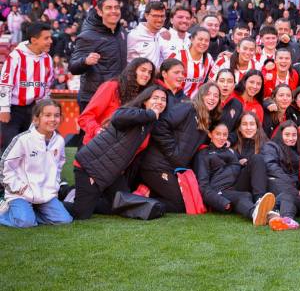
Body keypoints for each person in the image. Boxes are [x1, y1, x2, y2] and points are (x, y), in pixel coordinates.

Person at [73, 85, 168, 221]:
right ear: (145, 100)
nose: (160, 102)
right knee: (81, 215)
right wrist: (149, 114)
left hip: (114, 172)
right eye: (155, 98)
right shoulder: (135, 113)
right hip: (91, 168)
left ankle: (89, 200)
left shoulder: (151, 124)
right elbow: (118, 116)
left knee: (121, 207)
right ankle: (66, 193)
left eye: (164, 100)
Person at [139, 82, 222, 214]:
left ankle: (147, 192)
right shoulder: (188, 108)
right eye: (208, 94)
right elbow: (160, 124)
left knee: (188, 201)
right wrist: (173, 152)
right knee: (181, 204)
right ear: (201, 95)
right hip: (155, 166)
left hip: (171, 168)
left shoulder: (205, 119)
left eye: (216, 96)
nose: (212, 98)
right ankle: (139, 198)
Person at [0, 100, 70, 228]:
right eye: (47, 115)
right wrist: (17, 187)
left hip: (45, 194)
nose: (53, 119)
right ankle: (6, 212)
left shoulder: (59, 141)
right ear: (36, 119)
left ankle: (29, 212)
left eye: (56, 115)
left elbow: (58, 167)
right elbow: (5, 166)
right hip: (21, 194)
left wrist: (53, 186)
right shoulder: (23, 139)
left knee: (64, 220)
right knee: (24, 223)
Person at [192, 122, 276, 225]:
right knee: (243, 196)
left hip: (237, 185)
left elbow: (238, 168)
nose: (222, 138)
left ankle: (259, 200)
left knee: (257, 158)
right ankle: (254, 213)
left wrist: (245, 163)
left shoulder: (230, 151)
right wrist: (221, 201)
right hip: (220, 191)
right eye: (218, 134)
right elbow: (203, 186)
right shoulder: (203, 155)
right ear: (209, 134)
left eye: (225, 134)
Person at [0, 22, 54, 157]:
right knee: (10, 149)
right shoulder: (16, 56)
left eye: (50, 37)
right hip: (14, 110)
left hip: (35, 110)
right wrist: (4, 109)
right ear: (34, 40)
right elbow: (5, 84)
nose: (51, 41)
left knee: (32, 150)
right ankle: (6, 171)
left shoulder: (48, 59)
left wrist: (44, 111)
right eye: (46, 38)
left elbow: (47, 86)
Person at [70, 0, 127, 112]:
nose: (114, 11)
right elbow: (73, 67)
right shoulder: (87, 36)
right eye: (109, 8)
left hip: (118, 96)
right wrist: (85, 61)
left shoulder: (122, 32)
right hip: (95, 98)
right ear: (100, 12)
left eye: (116, 7)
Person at [78, 57, 155, 145]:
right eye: (143, 70)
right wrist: (98, 131)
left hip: (123, 149)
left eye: (150, 72)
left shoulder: (144, 95)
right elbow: (85, 117)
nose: (147, 75)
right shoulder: (112, 87)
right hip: (99, 145)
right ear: (132, 71)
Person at [167, 28, 213, 99]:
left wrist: (228, 55)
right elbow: (162, 74)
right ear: (192, 40)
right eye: (200, 39)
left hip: (194, 103)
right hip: (174, 100)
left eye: (207, 40)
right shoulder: (177, 55)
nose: (203, 43)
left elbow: (217, 72)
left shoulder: (208, 58)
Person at [127, 1, 166, 66]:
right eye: (155, 16)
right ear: (146, 16)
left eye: (162, 16)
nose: (159, 20)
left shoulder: (161, 35)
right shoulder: (133, 35)